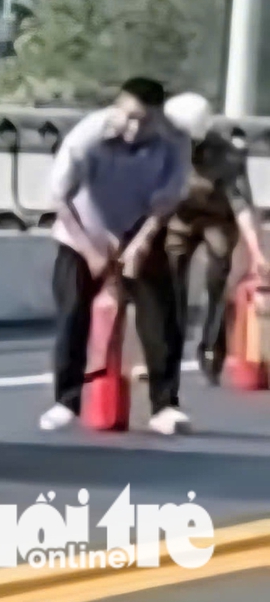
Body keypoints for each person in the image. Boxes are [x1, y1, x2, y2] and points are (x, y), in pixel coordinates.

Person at [40, 76, 193, 436]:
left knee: (160, 316)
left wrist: (140, 243)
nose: (135, 127)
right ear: (116, 108)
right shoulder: (87, 138)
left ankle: (164, 405)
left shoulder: (175, 140)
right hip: (82, 232)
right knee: (73, 313)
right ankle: (66, 401)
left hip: (139, 228)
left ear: (159, 117)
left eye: (145, 119)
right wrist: (92, 251)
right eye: (129, 116)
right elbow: (59, 199)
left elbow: (167, 200)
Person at [162, 91, 266, 383]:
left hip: (218, 219)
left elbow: (242, 206)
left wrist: (257, 253)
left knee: (217, 282)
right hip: (179, 218)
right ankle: (170, 344)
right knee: (171, 279)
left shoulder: (227, 155)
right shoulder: (160, 147)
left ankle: (212, 345)